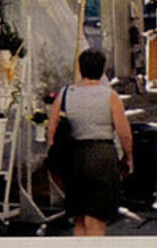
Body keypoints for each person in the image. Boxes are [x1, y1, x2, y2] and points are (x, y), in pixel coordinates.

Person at [48, 48, 134, 236]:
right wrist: (128, 157)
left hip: (73, 156)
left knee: (80, 218)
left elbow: (52, 128)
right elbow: (124, 132)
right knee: (95, 220)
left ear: (80, 68)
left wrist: (55, 155)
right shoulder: (110, 96)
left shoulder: (65, 93)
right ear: (102, 70)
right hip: (101, 157)